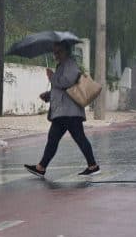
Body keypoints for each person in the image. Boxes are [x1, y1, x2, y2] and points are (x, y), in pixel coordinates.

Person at [24, 41, 100, 177]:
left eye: (58, 52)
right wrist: (48, 95)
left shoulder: (70, 64)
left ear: (66, 51)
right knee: (54, 138)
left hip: (69, 111)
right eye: (54, 52)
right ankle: (41, 167)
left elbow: (66, 82)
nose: (56, 55)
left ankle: (92, 165)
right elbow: (62, 89)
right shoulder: (62, 65)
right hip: (63, 111)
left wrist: (52, 77)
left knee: (78, 138)